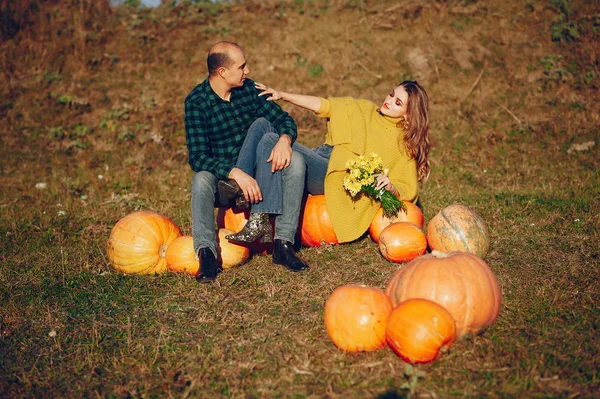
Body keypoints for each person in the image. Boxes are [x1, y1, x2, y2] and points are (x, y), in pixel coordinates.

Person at [184, 41, 309, 283]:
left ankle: (283, 245)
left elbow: (285, 120)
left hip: (260, 175)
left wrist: (285, 139)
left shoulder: (249, 90)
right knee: (201, 180)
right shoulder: (197, 102)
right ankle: (207, 255)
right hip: (226, 181)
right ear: (222, 72)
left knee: (292, 160)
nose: (247, 71)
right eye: (242, 67)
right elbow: (197, 156)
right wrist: (234, 173)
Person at [250, 80, 430, 244]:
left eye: (398, 103)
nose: (389, 101)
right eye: (391, 94)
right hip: (320, 156)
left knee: (270, 139)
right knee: (263, 125)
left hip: (333, 174)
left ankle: (258, 213)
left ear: (408, 115)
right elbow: (325, 105)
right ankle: (240, 182)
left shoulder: (402, 145)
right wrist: (283, 95)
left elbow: (408, 187)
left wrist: (390, 186)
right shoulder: (364, 108)